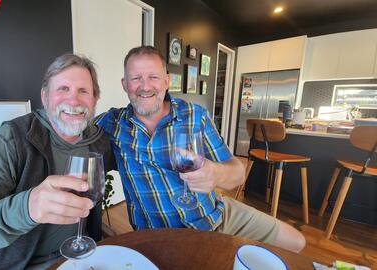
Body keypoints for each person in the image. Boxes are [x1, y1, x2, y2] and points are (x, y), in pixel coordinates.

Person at [95, 46, 306, 253]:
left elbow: (237, 172)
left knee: (295, 241)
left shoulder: (194, 115)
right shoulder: (112, 124)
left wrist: (215, 173)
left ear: (167, 81)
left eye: (153, 77)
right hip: (158, 237)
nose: (145, 86)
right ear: (124, 84)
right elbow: (72, 133)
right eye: (136, 78)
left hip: (214, 216)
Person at [0, 54, 114, 269]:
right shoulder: (10, 141)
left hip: (81, 259)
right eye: (63, 89)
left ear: (95, 99)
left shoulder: (99, 141)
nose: (73, 100)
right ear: (45, 96)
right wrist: (27, 208)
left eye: (83, 91)